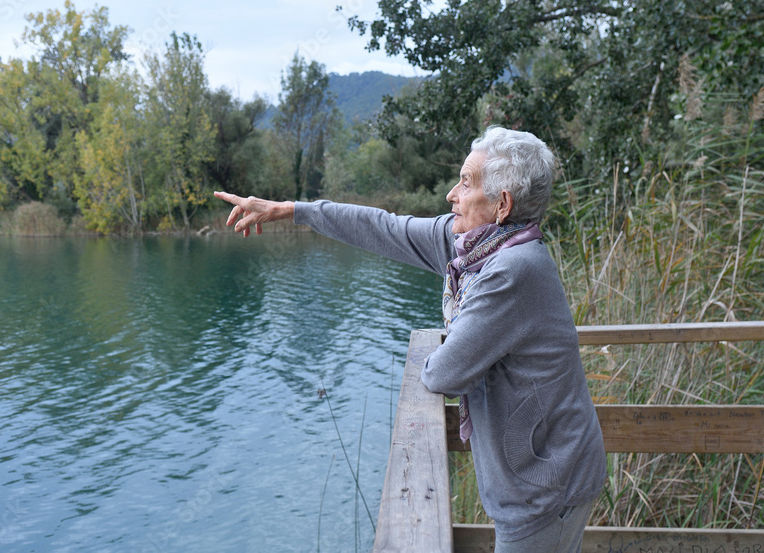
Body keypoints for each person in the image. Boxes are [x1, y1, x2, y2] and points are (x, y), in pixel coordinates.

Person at [214, 125, 606, 552]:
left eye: (466, 182)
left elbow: (443, 373)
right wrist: (293, 209)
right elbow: (384, 227)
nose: (451, 194)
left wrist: (436, 352)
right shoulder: (470, 249)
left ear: (501, 205)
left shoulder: (512, 270)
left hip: (548, 486)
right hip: (537, 474)